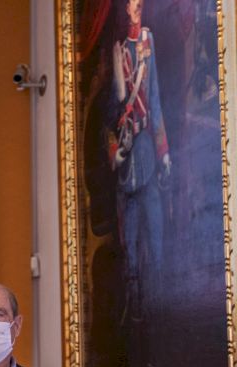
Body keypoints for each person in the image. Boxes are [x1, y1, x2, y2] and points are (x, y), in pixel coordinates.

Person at [109, 0, 169, 327]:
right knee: (129, 243)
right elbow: (110, 114)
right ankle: (134, 309)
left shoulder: (148, 42)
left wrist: (164, 152)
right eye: (133, 4)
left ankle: (159, 307)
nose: (139, 7)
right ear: (125, 10)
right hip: (127, 157)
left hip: (146, 147)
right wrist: (116, 153)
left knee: (156, 236)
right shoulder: (118, 53)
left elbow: (154, 99)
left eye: (140, 4)